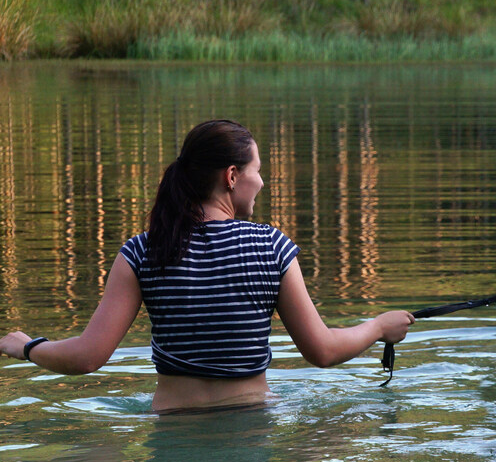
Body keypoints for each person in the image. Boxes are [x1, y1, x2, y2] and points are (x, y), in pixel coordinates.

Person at [0, 119, 414, 412]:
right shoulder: (270, 246)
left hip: (173, 435)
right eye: (257, 171)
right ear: (232, 176)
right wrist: (378, 326)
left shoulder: (144, 251)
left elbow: (87, 358)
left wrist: (27, 346)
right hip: (252, 428)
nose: (263, 182)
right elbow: (322, 351)